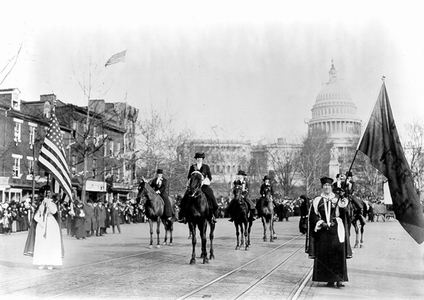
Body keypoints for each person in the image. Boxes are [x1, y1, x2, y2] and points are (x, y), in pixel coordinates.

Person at [306, 177, 349, 288]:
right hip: (323, 229)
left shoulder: (337, 199)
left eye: (329, 185)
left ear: (331, 187)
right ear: (322, 187)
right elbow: (313, 215)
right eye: (325, 185)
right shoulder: (317, 200)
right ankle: (329, 279)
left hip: (336, 228)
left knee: (338, 253)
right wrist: (321, 222)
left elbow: (344, 211)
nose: (327, 187)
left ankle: (339, 279)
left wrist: (343, 198)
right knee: (325, 254)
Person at [178, 152, 218, 223]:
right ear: (196, 159)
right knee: (186, 197)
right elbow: (189, 177)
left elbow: (209, 177)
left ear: (202, 159)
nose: (199, 159)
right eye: (198, 158)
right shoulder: (192, 167)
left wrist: (204, 181)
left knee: (211, 195)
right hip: (194, 186)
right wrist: (191, 183)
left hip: (204, 186)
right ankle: (183, 216)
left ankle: (213, 214)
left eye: (200, 158)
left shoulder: (206, 167)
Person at [32, 185, 63, 270]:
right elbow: (38, 214)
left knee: (51, 243)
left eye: (49, 193)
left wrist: (48, 203)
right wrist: (39, 219)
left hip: (51, 223)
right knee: (41, 243)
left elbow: (54, 211)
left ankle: (51, 262)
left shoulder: (53, 203)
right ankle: (41, 262)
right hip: (42, 223)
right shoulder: (41, 203)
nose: (47, 194)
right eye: (46, 193)